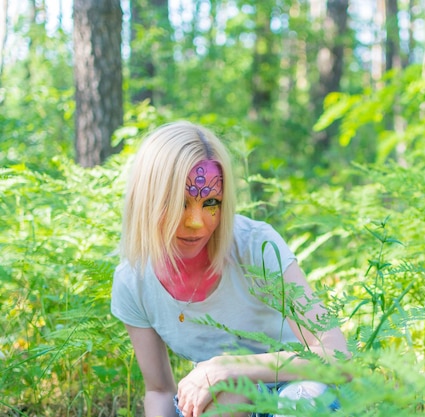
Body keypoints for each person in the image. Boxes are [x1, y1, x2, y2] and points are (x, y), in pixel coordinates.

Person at [110, 121, 349, 417]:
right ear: (148, 200)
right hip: (229, 399)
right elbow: (159, 390)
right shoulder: (133, 281)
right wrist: (225, 375)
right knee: (226, 396)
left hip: (304, 388)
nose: (197, 223)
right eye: (179, 203)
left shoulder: (256, 246)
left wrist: (228, 366)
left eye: (211, 202)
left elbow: (338, 358)